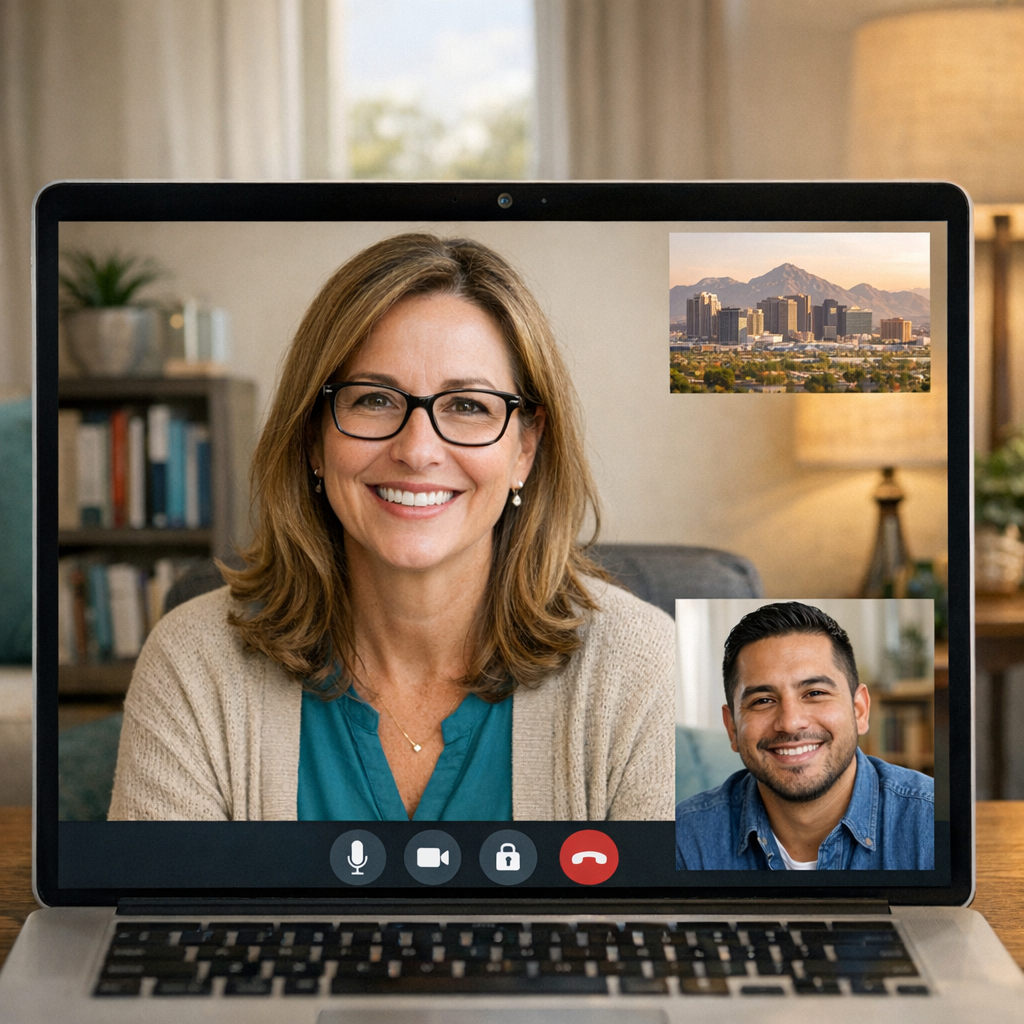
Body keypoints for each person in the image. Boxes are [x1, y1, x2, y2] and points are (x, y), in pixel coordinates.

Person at [109, 233, 674, 822]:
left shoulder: (636, 665)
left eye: (469, 406)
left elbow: (659, 915)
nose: (417, 449)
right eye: (375, 400)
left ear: (525, 447)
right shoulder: (193, 664)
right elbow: (166, 911)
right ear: (313, 439)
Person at [675, 602, 934, 869]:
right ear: (732, 728)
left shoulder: (933, 821)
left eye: (815, 693)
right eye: (763, 700)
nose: (790, 722)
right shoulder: (683, 840)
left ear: (860, 710)